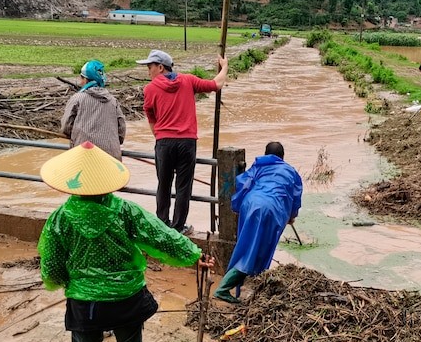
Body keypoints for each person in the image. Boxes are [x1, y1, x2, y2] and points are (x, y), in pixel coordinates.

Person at [37, 142, 208, 342]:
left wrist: (71, 283)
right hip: (126, 298)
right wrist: (194, 255)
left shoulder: (60, 219)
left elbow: (52, 267)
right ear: (107, 182)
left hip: (84, 302)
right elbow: (162, 236)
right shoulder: (125, 211)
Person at [138, 49, 228, 234]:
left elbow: (151, 120)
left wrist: (160, 138)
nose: (148, 71)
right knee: (183, 186)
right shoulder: (188, 80)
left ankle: (162, 225)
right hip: (187, 142)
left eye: (150, 67)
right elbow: (216, 84)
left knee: (163, 185)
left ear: (161, 67)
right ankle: (178, 227)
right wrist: (224, 66)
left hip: (164, 142)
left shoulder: (150, 89)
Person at [213, 142, 303, 303]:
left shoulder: (259, 166)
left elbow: (243, 183)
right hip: (271, 209)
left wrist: (237, 205)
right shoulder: (291, 172)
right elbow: (295, 198)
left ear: (266, 153)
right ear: (282, 157)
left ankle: (250, 286)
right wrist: (291, 216)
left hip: (250, 204)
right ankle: (223, 289)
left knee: (246, 246)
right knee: (257, 251)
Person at [61, 60, 126, 160]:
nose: (80, 81)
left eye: (81, 78)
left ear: (86, 80)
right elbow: (121, 130)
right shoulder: (113, 101)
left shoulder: (77, 99)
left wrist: (77, 137)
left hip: (84, 155)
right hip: (111, 157)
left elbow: (66, 127)